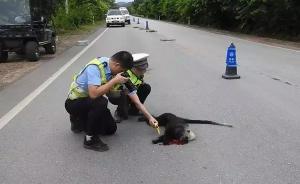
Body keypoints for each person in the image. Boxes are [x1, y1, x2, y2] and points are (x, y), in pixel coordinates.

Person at [64, 51, 158, 152]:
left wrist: (150, 118)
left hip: (91, 103)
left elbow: (136, 100)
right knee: (101, 102)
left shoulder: (118, 71)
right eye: (121, 70)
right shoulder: (94, 68)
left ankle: (82, 120)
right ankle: (89, 139)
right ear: (116, 65)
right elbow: (93, 94)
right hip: (74, 102)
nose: (122, 73)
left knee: (110, 129)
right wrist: (114, 81)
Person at [108, 53, 151, 121]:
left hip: (130, 91)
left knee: (146, 87)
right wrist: (149, 117)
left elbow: (137, 82)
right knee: (123, 95)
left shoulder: (138, 73)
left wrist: (141, 84)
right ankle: (119, 113)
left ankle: (134, 111)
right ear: (133, 68)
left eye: (145, 69)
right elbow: (130, 91)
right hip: (116, 95)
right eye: (140, 70)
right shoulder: (125, 74)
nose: (143, 71)